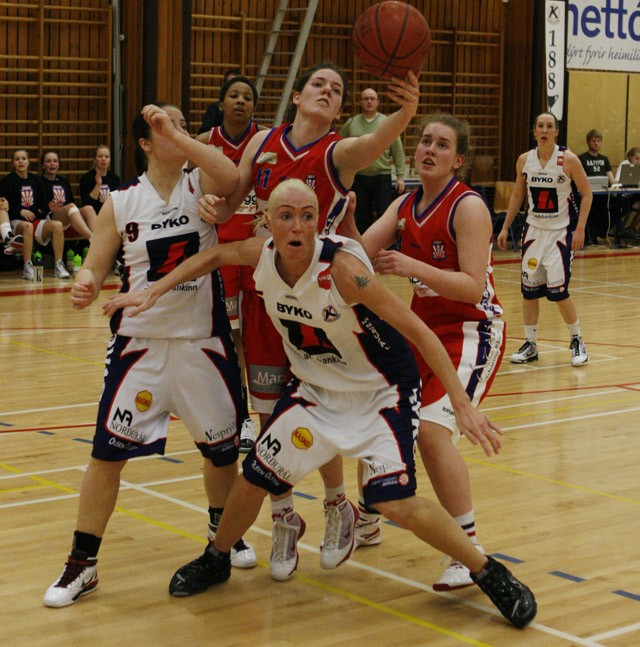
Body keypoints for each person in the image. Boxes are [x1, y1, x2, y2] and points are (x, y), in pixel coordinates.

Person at [103, 178, 537, 629]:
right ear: (268, 221)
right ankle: (216, 558)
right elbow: (212, 256)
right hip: (315, 390)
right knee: (254, 478)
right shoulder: (260, 255)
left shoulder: (345, 271)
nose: (297, 225)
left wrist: (462, 405)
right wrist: (154, 290)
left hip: (380, 393)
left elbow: (419, 332)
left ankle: (489, 572)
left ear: (317, 223)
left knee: (394, 502)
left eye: (307, 216)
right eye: (286, 215)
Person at [193, 61, 421, 585]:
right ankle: (284, 517)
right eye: (318, 84)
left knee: (322, 405)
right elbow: (233, 200)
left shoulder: (339, 152)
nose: (327, 91)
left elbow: (378, 140)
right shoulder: (263, 142)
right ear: (297, 96)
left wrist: (405, 112)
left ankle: (338, 503)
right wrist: (213, 205)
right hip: (268, 290)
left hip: (322, 301)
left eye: (336, 89)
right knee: (269, 411)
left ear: (339, 110)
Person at [42, 103, 257, 609]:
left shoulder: (201, 182)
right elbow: (97, 263)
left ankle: (222, 537)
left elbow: (231, 177)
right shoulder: (121, 202)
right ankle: (82, 563)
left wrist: (178, 136)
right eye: (165, 127)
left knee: (221, 451)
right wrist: (85, 282)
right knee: (106, 456)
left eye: (183, 125)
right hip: (140, 345)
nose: (178, 131)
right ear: (143, 142)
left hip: (203, 340)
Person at [358, 114, 505, 591]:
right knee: (378, 409)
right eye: (424, 141)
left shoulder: (469, 206)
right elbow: (359, 251)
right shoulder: (404, 203)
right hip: (423, 329)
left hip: (471, 330)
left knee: (432, 433)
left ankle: (467, 549)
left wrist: (410, 265)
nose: (429, 149)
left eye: (442, 145)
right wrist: (341, 213)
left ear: (457, 160)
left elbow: (471, 287)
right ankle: (368, 514)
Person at [195, 74, 263, 453]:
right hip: (222, 255)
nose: (240, 101)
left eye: (247, 97)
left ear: (254, 106)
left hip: (258, 253)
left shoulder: (266, 141)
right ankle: (242, 416)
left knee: (261, 337)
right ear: (221, 104)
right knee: (232, 339)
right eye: (233, 96)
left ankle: (269, 410)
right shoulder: (205, 143)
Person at [497, 112, 591, 367]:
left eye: (550, 126)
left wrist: (580, 228)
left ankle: (577, 339)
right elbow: (517, 195)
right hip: (533, 233)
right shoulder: (524, 160)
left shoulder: (568, 160)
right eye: (540, 126)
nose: (545, 130)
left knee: (559, 292)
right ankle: (530, 344)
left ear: (556, 131)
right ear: (535, 131)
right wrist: (505, 227)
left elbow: (587, 193)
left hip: (560, 234)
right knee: (529, 292)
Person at [339, 87, 406, 233]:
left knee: (385, 216)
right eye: (365, 98)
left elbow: (398, 151)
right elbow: (338, 148)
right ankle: (363, 245)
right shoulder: (351, 123)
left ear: (377, 102)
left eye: (372, 99)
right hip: (359, 177)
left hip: (382, 177)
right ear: (361, 102)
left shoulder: (387, 122)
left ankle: (387, 245)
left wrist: (400, 176)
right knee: (361, 217)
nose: (369, 101)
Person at [0, 149, 70, 279]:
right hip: (16, 221)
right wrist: (20, 211)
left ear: (29, 161)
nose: (21, 161)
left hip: (34, 220)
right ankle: (27, 266)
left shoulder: (35, 180)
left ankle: (59, 265)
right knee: (28, 226)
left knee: (57, 225)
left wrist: (49, 207)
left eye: (24, 158)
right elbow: (4, 208)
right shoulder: (7, 182)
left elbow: (42, 205)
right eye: (17, 159)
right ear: (13, 162)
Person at [40, 150, 96, 240]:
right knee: (71, 206)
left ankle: (97, 237)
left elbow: (71, 201)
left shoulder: (64, 182)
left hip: (68, 216)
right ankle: (92, 238)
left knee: (88, 209)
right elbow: (39, 206)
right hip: (50, 218)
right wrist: (48, 207)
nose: (52, 164)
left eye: (55, 161)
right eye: (48, 161)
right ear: (43, 165)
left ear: (59, 165)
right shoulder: (39, 182)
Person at [577, 129, 615, 243]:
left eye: (599, 141)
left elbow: (611, 179)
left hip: (603, 195)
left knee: (618, 205)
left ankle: (601, 232)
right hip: (587, 194)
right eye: (593, 141)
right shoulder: (581, 158)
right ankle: (591, 235)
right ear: (588, 142)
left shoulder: (604, 159)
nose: (596, 143)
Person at [79, 145, 121, 215]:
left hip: (110, 214)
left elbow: (117, 202)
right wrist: (98, 185)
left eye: (107, 157)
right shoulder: (86, 178)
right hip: (93, 214)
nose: (103, 159)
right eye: (100, 156)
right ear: (95, 160)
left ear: (110, 160)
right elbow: (88, 204)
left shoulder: (115, 179)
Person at [198, 68, 242, 134]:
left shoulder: (244, 108)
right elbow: (203, 133)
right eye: (231, 84)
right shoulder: (214, 108)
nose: (235, 88)